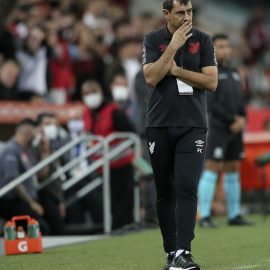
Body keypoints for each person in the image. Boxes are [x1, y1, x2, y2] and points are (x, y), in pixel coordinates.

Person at [142, 0, 218, 269]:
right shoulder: (153, 39)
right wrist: (173, 46)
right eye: (180, 12)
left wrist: (177, 71)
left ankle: (184, 252)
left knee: (186, 187)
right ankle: (171, 253)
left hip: (193, 125)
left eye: (190, 12)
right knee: (165, 191)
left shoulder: (204, 40)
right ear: (166, 14)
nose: (187, 17)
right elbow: (151, 77)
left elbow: (211, 82)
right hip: (159, 125)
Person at [197, 34, 250, 228]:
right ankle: (204, 216)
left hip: (236, 128)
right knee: (212, 168)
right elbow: (210, 103)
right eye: (220, 46)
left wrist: (243, 117)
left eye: (227, 46)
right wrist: (231, 120)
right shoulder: (209, 72)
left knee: (232, 168)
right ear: (212, 50)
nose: (225, 50)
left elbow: (241, 99)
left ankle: (234, 214)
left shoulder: (235, 72)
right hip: (219, 127)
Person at [81, 79, 136, 229]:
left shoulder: (114, 112)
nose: (90, 96)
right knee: (109, 201)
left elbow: (132, 134)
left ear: (100, 93)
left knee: (122, 201)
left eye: (93, 92)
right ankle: (114, 228)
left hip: (121, 164)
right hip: (102, 165)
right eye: (86, 93)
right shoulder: (87, 113)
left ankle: (124, 229)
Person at [0, 119, 50, 234]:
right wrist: (31, 203)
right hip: (10, 200)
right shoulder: (11, 150)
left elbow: (42, 174)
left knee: (49, 221)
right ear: (28, 131)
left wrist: (45, 152)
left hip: (25, 200)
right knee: (41, 227)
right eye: (36, 132)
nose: (37, 136)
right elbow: (11, 179)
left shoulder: (27, 151)